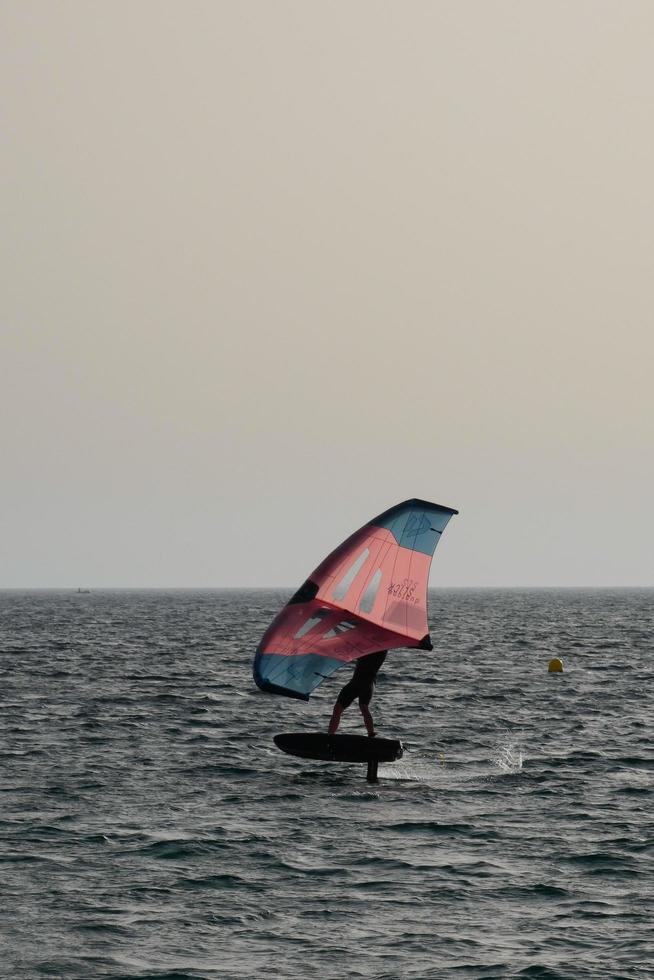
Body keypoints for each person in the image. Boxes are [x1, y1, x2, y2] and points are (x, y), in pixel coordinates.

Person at [327, 650, 387, 737]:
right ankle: (330, 735)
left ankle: (371, 734)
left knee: (363, 707)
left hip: (367, 683)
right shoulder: (366, 647)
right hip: (355, 682)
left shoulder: (381, 650)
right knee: (337, 708)